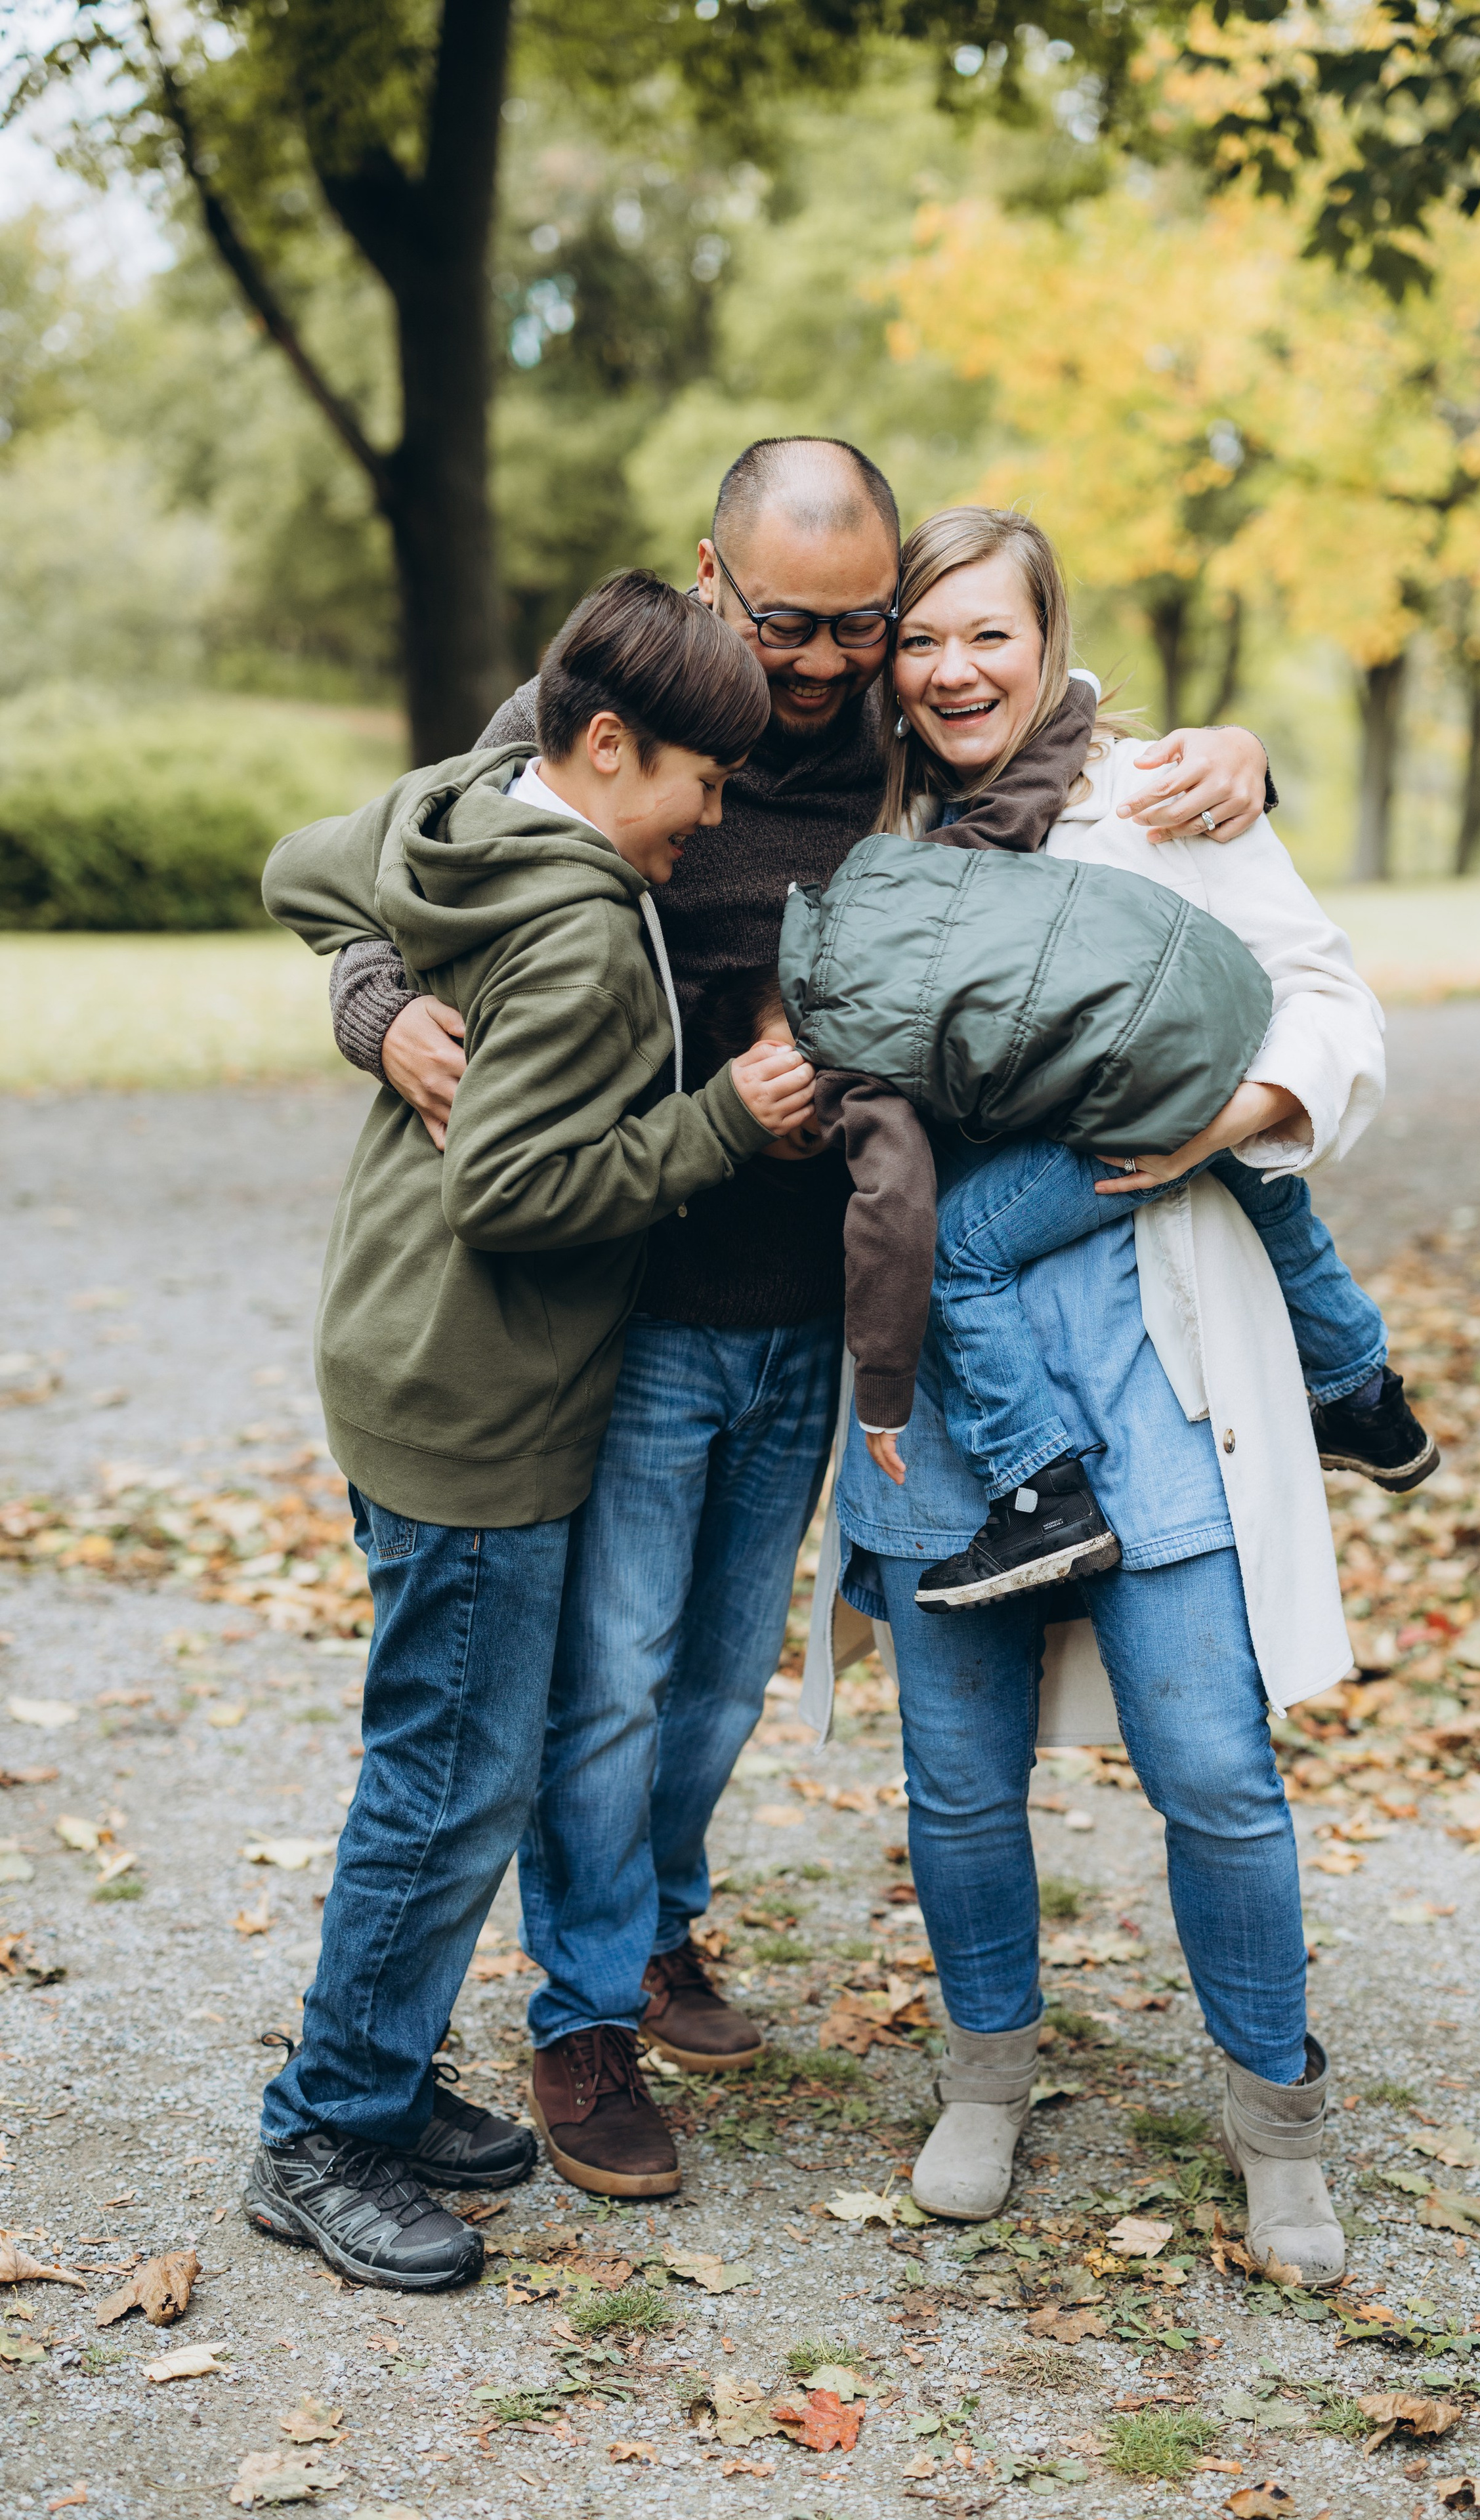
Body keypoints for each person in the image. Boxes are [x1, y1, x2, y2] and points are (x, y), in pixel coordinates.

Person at [318, 436, 1280, 2196]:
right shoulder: (625, 704)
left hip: (814, 1308)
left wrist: (1239, 757)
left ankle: (659, 1924)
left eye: (864, 624)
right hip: (637, 1294)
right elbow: (408, 853)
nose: (829, 664)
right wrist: (376, 1003)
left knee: (712, 1684)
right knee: (605, 1680)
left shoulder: (904, 745)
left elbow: (1055, 740)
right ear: (708, 578)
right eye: (791, 624)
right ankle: (581, 2018)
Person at [802, 505, 1389, 2285]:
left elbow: (1331, 1004)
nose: (953, 669)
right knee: (958, 1774)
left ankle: (1275, 2122)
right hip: (938, 1371)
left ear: (1049, 636)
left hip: (1153, 1354)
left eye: (988, 633)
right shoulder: (859, 821)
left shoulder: (1163, 803)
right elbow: (589, 724)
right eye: (921, 638)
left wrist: (1233, 1120)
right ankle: (987, 2077)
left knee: (1213, 1764)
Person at [248, 572, 813, 2288]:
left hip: (402, 1350)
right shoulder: (576, 927)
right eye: (702, 784)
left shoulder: (466, 817)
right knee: (452, 1777)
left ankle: (379, 2074)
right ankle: (324, 2126)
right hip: (479, 1400)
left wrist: (391, 993)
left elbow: (300, 864)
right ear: (612, 741)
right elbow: (509, 1193)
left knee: (449, 1756)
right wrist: (716, 1125)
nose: (716, 820)